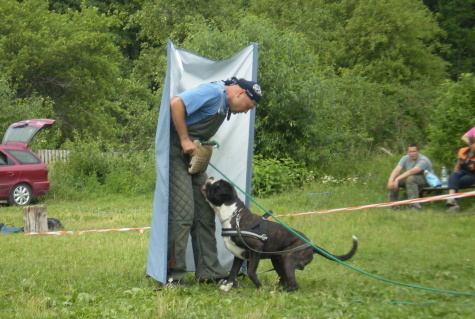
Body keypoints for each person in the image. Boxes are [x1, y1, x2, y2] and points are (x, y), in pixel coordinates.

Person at [167, 77, 262, 286]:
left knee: (204, 213)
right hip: (176, 154)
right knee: (183, 215)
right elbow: (176, 103)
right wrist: (184, 139)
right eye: (248, 106)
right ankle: (173, 275)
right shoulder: (213, 93)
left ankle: (209, 271)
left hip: (193, 158)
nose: (246, 111)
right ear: (240, 94)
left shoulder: (224, 103)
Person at [387, 143, 434, 210]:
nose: (412, 153)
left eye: (414, 151)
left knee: (410, 179)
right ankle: (393, 205)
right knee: (394, 180)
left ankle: (415, 206)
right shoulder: (405, 158)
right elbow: (397, 169)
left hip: (426, 179)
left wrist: (397, 179)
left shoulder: (423, 160)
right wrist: (391, 180)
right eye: (410, 152)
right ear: (407, 152)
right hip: (412, 178)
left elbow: (412, 171)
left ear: (418, 151)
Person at [445, 137, 475, 212]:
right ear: (470, 144)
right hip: (462, 171)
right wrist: (453, 175)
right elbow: (457, 165)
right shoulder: (462, 151)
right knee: (454, 175)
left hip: (472, 175)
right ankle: (451, 199)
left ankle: (453, 202)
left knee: (456, 181)